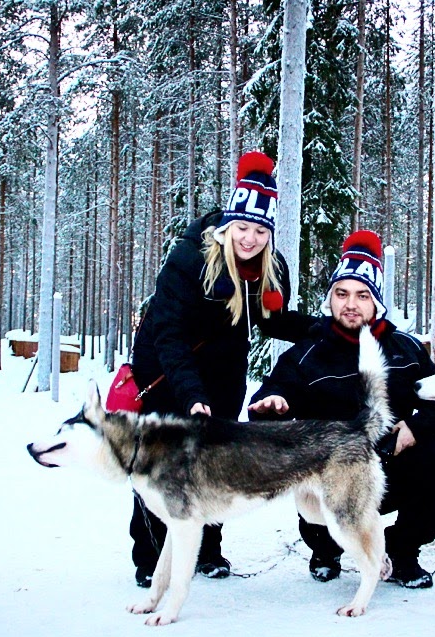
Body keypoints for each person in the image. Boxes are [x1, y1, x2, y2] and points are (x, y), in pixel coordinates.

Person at [128, 151, 317, 588]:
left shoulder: (270, 267)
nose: (249, 239)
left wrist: (325, 329)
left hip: (223, 370)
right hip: (165, 367)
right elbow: (169, 334)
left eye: (260, 231)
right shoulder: (188, 260)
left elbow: (272, 320)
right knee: (163, 462)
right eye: (243, 228)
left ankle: (207, 550)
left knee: (213, 460)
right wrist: (192, 394)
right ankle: (150, 555)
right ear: (227, 225)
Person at [248, 230, 435, 589]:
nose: (351, 303)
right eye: (342, 293)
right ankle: (325, 549)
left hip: (391, 465)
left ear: (376, 302)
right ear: (331, 299)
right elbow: (272, 395)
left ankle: (402, 551)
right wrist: (273, 405)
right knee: (320, 510)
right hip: (333, 478)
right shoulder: (307, 354)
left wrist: (416, 428)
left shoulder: (405, 350)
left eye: (362, 295)